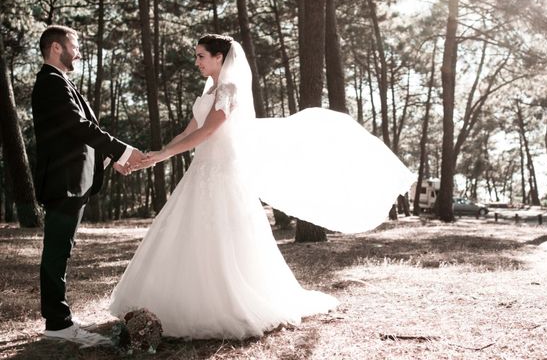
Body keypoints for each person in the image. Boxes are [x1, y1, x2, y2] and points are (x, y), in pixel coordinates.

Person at [109, 34, 414, 339]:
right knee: (185, 231)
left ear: (220, 58)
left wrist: (166, 154)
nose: (197, 62)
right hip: (200, 171)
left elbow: (209, 130)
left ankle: (226, 304)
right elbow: (189, 130)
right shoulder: (208, 91)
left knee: (225, 237)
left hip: (223, 171)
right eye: (197, 56)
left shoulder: (229, 89)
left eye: (201, 56)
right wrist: (156, 155)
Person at [32, 25, 145, 346]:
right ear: (56, 47)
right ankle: (58, 323)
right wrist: (123, 149)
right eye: (74, 44)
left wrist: (113, 160)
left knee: (61, 249)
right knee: (56, 250)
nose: (78, 50)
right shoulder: (50, 83)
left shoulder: (59, 82)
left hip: (72, 180)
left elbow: (79, 136)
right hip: (63, 182)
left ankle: (59, 318)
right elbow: (78, 126)